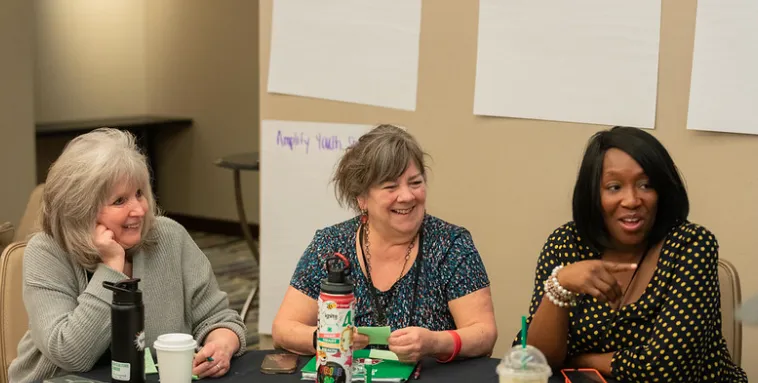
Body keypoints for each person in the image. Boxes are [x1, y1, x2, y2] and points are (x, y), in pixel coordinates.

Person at [8, 128, 246, 383]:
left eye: (139, 194)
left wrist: (222, 343)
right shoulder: (46, 252)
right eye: (120, 201)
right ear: (80, 211)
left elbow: (218, 318)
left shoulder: (169, 237)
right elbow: (72, 355)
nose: (139, 210)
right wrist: (112, 269)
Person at [515, 126, 747, 382]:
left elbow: (667, 369)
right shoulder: (566, 244)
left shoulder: (691, 245)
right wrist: (560, 285)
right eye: (614, 187)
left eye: (646, 185)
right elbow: (533, 359)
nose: (632, 200)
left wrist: (582, 359)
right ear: (593, 194)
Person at [272, 124, 497, 363]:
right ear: (362, 198)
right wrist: (326, 338)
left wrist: (434, 342)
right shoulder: (330, 246)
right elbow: (284, 329)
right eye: (391, 186)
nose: (407, 196)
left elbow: (484, 333)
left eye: (415, 183)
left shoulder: (451, 244)